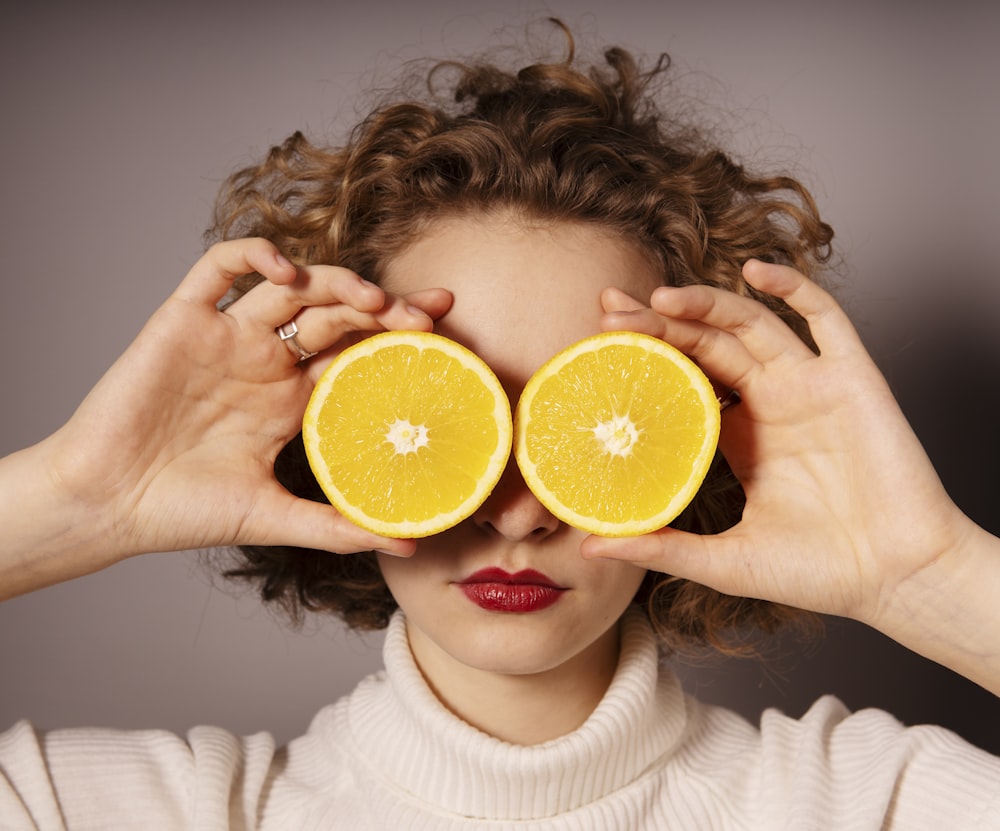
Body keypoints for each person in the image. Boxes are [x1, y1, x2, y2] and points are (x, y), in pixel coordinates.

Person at [1, 20, 998, 830]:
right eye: (453, 413)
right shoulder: (124, 812)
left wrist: (924, 575)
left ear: (695, 439)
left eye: (586, 415)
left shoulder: (875, 804)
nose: (517, 514)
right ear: (332, 431)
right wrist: (82, 501)